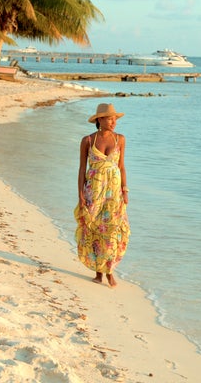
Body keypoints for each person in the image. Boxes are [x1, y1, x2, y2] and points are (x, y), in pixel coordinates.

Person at [74, 103, 130, 287]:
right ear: (99, 120)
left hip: (114, 194)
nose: (113, 122)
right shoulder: (88, 140)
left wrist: (125, 190)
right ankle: (99, 272)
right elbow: (83, 168)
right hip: (94, 191)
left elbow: (121, 167)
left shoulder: (120, 139)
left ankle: (110, 271)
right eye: (109, 118)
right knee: (95, 229)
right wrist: (81, 194)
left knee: (113, 231)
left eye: (115, 118)